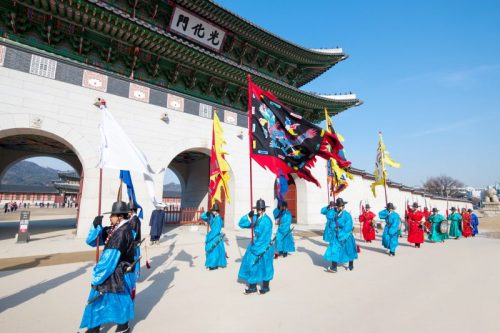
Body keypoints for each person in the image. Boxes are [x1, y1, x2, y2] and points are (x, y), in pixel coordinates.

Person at [79, 201, 136, 333]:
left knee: (111, 299)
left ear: (120, 216)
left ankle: (122, 326)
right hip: (112, 270)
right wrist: (96, 226)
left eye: (112, 215)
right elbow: (92, 241)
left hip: (117, 272)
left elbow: (110, 257)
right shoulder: (114, 229)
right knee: (103, 298)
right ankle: (94, 327)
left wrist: (98, 274)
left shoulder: (122, 233)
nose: (110, 218)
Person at [238, 199, 274, 295]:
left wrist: (257, 247)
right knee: (251, 263)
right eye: (257, 208)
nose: (258, 210)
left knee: (265, 266)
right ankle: (252, 287)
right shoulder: (255, 218)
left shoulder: (267, 221)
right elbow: (241, 224)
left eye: (260, 209)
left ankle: (266, 287)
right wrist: (248, 216)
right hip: (255, 244)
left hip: (264, 246)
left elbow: (265, 236)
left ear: (263, 209)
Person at [324, 198, 358, 272]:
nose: (339, 207)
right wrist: (330, 207)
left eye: (341, 206)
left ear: (343, 206)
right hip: (336, 235)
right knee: (334, 249)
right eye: (338, 206)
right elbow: (327, 215)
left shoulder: (347, 215)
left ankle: (351, 264)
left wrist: (341, 234)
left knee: (349, 249)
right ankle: (334, 267)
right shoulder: (334, 213)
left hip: (346, 235)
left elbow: (348, 227)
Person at [201, 203, 227, 270]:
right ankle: (212, 264)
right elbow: (202, 217)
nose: (213, 211)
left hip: (216, 236)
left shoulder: (218, 219)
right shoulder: (212, 217)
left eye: (214, 210)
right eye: (212, 210)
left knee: (214, 251)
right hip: (213, 235)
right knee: (213, 251)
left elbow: (217, 230)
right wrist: (207, 213)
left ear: (217, 211)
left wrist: (209, 236)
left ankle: (213, 265)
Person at [128, 201, 142, 277]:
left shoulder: (134, 220)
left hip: (134, 244)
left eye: (128, 211)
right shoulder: (132, 219)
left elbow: (133, 234)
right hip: (133, 243)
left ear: (132, 211)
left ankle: (135, 275)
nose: (127, 213)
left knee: (134, 259)